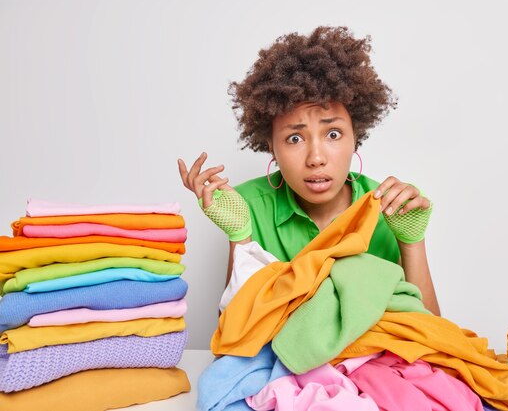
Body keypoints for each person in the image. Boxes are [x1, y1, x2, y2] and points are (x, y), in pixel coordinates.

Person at [178, 26, 441, 316]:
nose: (316, 158)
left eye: (333, 134)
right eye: (295, 138)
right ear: (271, 146)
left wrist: (412, 241)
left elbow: (432, 337)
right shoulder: (246, 208)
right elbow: (234, 337)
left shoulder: (390, 209)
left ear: (356, 135)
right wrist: (240, 238)